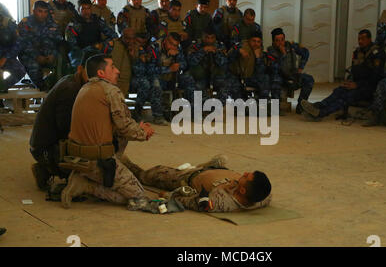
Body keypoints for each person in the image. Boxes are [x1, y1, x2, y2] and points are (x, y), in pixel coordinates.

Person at [59, 54, 155, 209]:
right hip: (96, 159)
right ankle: (86, 186)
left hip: (76, 155)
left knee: (122, 137)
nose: (117, 71)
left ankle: (88, 177)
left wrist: (137, 127)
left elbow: (116, 125)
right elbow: (125, 127)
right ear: (101, 73)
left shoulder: (85, 88)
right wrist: (144, 132)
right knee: (138, 196)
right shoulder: (110, 91)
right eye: (112, 67)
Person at [29, 51, 97, 191]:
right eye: (90, 72)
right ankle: (47, 168)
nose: (94, 78)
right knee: (92, 167)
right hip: (46, 149)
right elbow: (65, 129)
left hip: (47, 144)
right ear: (80, 69)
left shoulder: (76, 82)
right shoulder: (70, 89)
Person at [121, 154, 272, 212]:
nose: (244, 173)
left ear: (243, 191)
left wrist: (170, 197)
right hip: (218, 168)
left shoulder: (220, 202)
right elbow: (266, 194)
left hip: (189, 177)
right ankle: (207, 165)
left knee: (152, 174)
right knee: (222, 158)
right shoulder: (263, 196)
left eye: (247, 176)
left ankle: (127, 165)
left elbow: (193, 202)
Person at [301, 30, 385, 120]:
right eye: (359, 39)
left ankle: (320, 113)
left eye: (363, 39)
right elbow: (354, 71)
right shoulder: (357, 52)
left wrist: (357, 85)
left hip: (369, 87)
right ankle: (317, 106)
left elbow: (376, 77)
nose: (360, 41)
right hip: (356, 84)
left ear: (369, 39)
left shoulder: (376, 53)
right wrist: (349, 81)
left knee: (347, 96)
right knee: (339, 91)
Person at [145, 32, 195, 120]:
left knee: (189, 79)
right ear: (165, 40)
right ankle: (158, 116)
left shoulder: (178, 48)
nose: (173, 47)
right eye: (171, 44)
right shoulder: (154, 48)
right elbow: (149, 70)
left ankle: (194, 112)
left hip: (173, 77)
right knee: (155, 83)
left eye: (176, 45)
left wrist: (178, 64)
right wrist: (169, 69)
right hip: (159, 78)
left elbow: (184, 64)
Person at [17, 1, 64, 91]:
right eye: (40, 11)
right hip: (29, 55)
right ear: (33, 11)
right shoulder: (25, 23)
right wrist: (37, 56)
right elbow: (23, 44)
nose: (43, 14)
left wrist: (52, 54)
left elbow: (58, 41)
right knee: (34, 67)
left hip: (49, 54)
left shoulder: (52, 23)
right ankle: (42, 89)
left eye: (45, 12)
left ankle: (58, 88)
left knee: (62, 63)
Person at [267, 28, 315, 114]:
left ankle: (300, 106)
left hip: (292, 75)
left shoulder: (291, 46)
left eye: (282, 40)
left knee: (309, 79)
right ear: (273, 42)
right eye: (277, 40)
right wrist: (283, 54)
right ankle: (275, 108)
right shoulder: (270, 50)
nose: (280, 42)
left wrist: (301, 68)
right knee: (275, 79)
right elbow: (275, 67)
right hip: (280, 78)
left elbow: (306, 52)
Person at [65, 0, 118, 67]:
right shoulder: (74, 24)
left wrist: (107, 43)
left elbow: (113, 35)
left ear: (91, 9)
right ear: (78, 10)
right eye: (83, 9)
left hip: (97, 50)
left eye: (88, 8)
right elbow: (72, 45)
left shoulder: (97, 21)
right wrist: (91, 48)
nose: (86, 11)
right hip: (81, 52)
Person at [228, 31, 275, 103]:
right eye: (254, 41)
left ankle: (263, 103)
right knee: (240, 106)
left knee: (265, 78)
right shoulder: (242, 47)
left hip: (250, 78)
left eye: (258, 42)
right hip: (237, 78)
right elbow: (229, 56)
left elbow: (260, 71)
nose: (256, 44)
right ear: (249, 41)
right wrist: (238, 50)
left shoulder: (260, 52)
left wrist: (258, 58)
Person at [186, 27, 228, 104]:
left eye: (212, 38)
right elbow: (191, 62)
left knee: (226, 87)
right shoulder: (195, 45)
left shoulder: (220, 46)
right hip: (200, 77)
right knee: (196, 88)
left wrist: (215, 53)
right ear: (202, 36)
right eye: (207, 38)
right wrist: (203, 51)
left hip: (216, 76)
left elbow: (224, 63)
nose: (209, 40)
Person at [99, 28, 140, 96]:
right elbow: (102, 60)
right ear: (122, 37)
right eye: (128, 38)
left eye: (132, 38)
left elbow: (138, 68)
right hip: (110, 79)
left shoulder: (137, 47)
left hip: (125, 80)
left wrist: (133, 56)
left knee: (121, 100)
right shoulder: (112, 44)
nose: (130, 41)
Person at [0, 6, 25, 92]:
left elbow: (18, 43)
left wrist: (5, 58)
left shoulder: (8, 23)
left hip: (5, 56)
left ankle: (2, 88)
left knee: (20, 70)